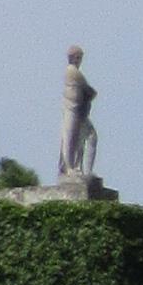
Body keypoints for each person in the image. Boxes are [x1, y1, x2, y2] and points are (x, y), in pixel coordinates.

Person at [57, 45, 99, 191]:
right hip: (72, 110)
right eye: (78, 57)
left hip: (80, 112)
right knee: (70, 139)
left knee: (88, 137)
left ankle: (83, 170)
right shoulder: (72, 72)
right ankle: (70, 169)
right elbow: (89, 90)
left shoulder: (76, 73)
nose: (79, 60)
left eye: (80, 57)